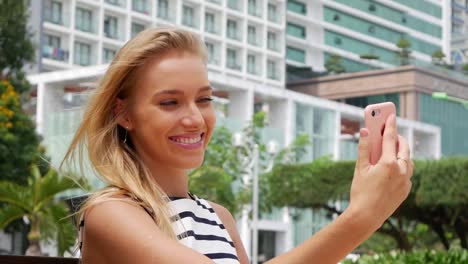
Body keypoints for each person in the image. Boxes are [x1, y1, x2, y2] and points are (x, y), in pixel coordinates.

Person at [62, 27, 414, 264]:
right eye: (169, 103)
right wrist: (361, 217)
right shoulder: (109, 212)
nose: (195, 119)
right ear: (123, 113)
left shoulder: (219, 218)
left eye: (204, 99)